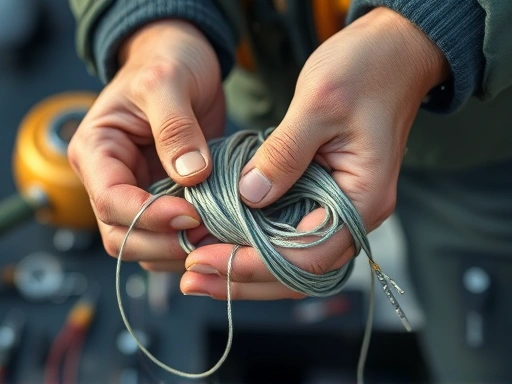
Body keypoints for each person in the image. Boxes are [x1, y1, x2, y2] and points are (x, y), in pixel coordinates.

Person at [68, 0, 512, 382]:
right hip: (260, 92)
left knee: (487, 362)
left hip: (485, 143)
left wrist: (430, 24)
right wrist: (156, 24)